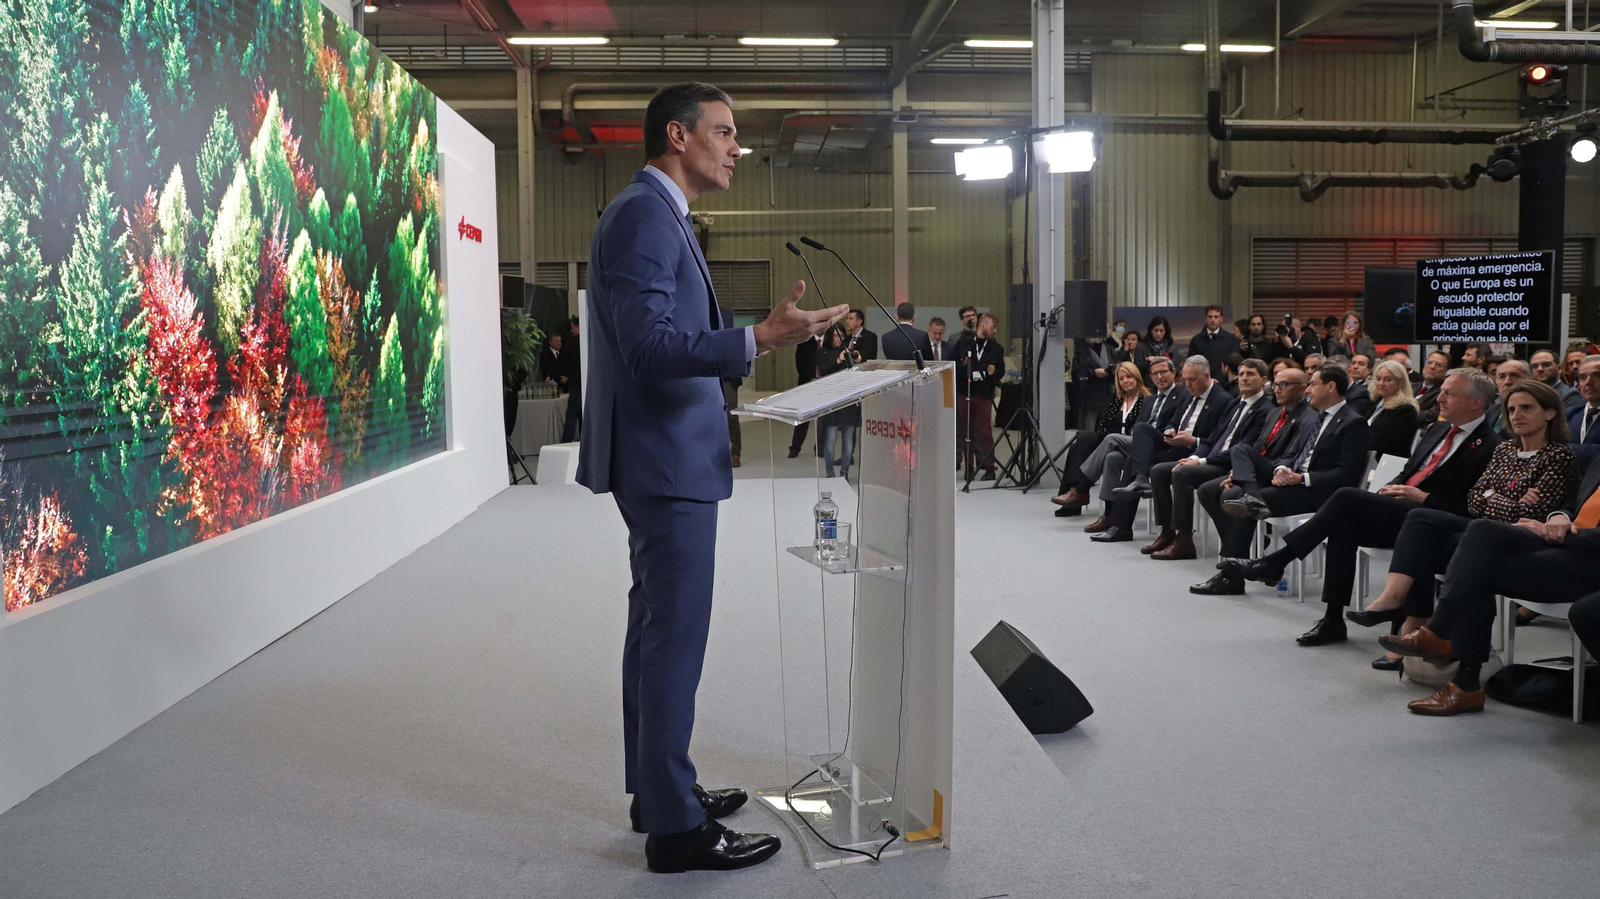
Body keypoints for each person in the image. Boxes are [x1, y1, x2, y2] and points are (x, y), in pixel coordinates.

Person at [577, 82, 849, 874]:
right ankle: (674, 825)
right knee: (674, 637)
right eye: (724, 133)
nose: (737, 148)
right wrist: (758, 338)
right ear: (676, 134)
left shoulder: (659, 215)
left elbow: (666, 335)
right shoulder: (641, 218)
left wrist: (751, 336)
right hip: (666, 460)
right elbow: (650, 349)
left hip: (669, 455)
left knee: (655, 628)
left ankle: (658, 789)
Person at [1223, 368, 1500, 650]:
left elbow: (1474, 508)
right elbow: (1407, 473)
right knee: (1345, 523)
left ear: (1475, 402)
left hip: (1437, 521)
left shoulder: (1492, 446)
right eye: (1441, 391)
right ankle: (1332, 619)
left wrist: (1423, 498)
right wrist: (1388, 489)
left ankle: (1276, 562)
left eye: (1448, 393)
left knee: (1346, 497)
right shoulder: (1439, 429)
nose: (1438, 398)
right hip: (1400, 511)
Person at [1371, 383, 1585, 715]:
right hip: (1490, 532)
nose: (1517, 416)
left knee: (1477, 535)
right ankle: (1404, 609)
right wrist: (1500, 500)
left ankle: (1438, 631)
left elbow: (1529, 515)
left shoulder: (1559, 455)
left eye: (1527, 408)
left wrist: (1492, 499)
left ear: (1550, 412)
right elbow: (1474, 498)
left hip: (1531, 538)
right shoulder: (1503, 450)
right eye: (1512, 409)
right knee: (1422, 518)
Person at [1188, 369, 1313, 593]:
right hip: (1260, 471)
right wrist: (1240, 475)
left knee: (1232, 493)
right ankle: (1242, 545)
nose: (1277, 389)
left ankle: (1232, 574)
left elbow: (1292, 455)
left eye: (1285, 385)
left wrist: (1246, 476)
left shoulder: (1308, 415)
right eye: (1276, 384)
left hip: (1282, 473)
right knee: (1208, 490)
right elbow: (1257, 450)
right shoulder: (1275, 413)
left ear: (1303, 388)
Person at [1092, 355, 1238, 544]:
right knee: (1140, 429)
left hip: (1195, 450)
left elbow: (1219, 439)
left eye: (1192, 380)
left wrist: (1194, 441)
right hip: (1174, 444)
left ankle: (1155, 527)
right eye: (1185, 380)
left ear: (1206, 375)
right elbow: (1175, 420)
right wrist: (1171, 430)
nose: (1188, 384)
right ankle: (1124, 520)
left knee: (1137, 462)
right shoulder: (1189, 395)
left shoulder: (1222, 400)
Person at [1139, 358, 1273, 559]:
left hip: (1230, 465)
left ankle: (1185, 540)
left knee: (1183, 474)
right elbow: (1213, 439)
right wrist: (1195, 456)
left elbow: (1244, 449)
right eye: (1242, 374)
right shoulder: (1236, 404)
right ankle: (1168, 532)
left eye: (1250, 374)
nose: (1244, 378)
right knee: (1159, 471)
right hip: (1211, 457)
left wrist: (1202, 461)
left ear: (1263, 380)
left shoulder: (1265, 410)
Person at [1219, 364, 1372, 521]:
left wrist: (1301, 478)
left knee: (1240, 500)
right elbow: (1291, 453)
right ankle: (1253, 495)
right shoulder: (1312, 417)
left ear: (1330, 387)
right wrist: (1282, 469)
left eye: (1312, 384)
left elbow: (1346, 473)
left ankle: (1252, 500)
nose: (1307, 390)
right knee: (1240, 449)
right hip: (1290, 479)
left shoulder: (1353, 423)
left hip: (1314, 490)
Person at [1078, 357, 1187, 532]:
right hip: (1139, 444)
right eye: (1155, 373)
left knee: (1114, 438)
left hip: (1164, 443)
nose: (1159, 377)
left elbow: (1176, 422)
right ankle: (1110, 515)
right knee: (1112, 457)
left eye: (1163, 372)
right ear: (1150, 376)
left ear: (1173, 373)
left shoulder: (1181, 395)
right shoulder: (1150, 401)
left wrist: (1164, 430)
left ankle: (1082, 488)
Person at [1052, 360, 1147, 513]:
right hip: (1110, 441)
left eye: (1128, 377)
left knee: (1107, 444)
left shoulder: (1146, 400)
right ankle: (1073, 497)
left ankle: (1079, 492)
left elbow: (1143, 428)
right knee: (1081, 441)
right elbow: (1102, 426)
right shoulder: (1117, 400)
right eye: (1121, 379)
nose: (1125, 381)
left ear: (1137, 377)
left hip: (1130, 444)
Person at [955, 312, 1005, 479]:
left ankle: (989, 466)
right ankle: (969, 467)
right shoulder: (964, 344)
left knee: (985, 431)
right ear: (983, 326)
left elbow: (1001, 370)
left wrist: (994, 371)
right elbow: (953, 364)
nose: (995, 331)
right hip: (965, 391)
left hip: (984, 393)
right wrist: (963, 365)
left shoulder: (996, 348)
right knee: (966, 430)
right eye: (993, 327)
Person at [816, 324, 859, 478]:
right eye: (835, 335)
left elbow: (855, 373)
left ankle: (844, 472)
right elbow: (825, 371)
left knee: (848, 438)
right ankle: (829, 472)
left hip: (848, 398)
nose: (839, 339)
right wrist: (838, 361)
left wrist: (856, 359)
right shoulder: (822, 351)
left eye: (841, 335)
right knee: (831, 437)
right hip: (832, 399)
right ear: (829, 336)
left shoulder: (847, 351)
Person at [1365, 358, 1420, 458]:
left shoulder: (1406, 411)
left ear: (1401, 383)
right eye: (1378, 378)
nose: (1381, 383)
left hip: (1385, 463)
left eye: (1388, 380)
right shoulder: (1375, 402)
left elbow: (1383, 442)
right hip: (1366, 457)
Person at [787, 329, 824, 458]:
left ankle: (820, 446)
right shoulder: (805, 341)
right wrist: (810, 377)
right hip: (807, 383)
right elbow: (799, 362)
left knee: (823, 418)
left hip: (826, 385)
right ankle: (795, 447)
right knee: (803, 416)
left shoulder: (830, 341)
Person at [1074, 330, 1119, 430]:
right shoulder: (1082, 351)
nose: (1099, 336)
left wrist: (1113, 371)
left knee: (1108, 430)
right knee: (1089, 432)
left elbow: (1117, 368)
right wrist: (1094, 373)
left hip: (1108, 396)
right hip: (1090, 399)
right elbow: (1076, 375)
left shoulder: (1109, 350)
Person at [1187, 305, 1239, 379]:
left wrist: (1220, 379)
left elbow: (1234, 363)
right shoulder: (1196, 340)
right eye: (1210, 317)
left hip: (1225, 383)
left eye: (1216, 317)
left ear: (1221, 319)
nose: (1213, 320)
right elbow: (1191, 364)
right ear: (1206, 318)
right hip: (1202, 382)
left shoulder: (1231, 339)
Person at [1484, 357, 1530, 437]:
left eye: (1514, 375)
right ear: (1497, 382)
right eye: (1502, 377)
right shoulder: (1491, 411)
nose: (1507, 381)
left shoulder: (1534, 411)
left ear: (1530, 380)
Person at [1531, 347, 1584, 416]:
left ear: (1559, 369)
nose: (1540, 369)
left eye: (1546, 365)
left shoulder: (1571, 395)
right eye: (1535, 366)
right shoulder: (1529, 394)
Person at [1572, 354, 1600, 466]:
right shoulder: (1569, 415)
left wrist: (1566, 450)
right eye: (1582, 377)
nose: (1588, 382)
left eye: (1597, 375)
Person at [560, 317, 584, 443]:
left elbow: (566, 360)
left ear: (577, 327)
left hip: (575, 383)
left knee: (571, 416)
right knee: (583, 415)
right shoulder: (589, 341)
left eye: (572, 327)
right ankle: (583, 439)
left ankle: (566, 441)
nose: (571, 330)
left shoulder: (572, 343)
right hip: (586, 383)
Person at [1134, 316, 1175, 385]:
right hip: (1147, 386)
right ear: (1151, 331)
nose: (1158, 334)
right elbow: (1137, 369)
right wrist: (1147, 361)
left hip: (1166, 385)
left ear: (1166, 331)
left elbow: (1176, 368)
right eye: (1156, 330)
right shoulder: (1142, 346)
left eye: (1161, 331)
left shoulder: (1171, 347)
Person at [1415, 350, 1451, 429]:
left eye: (1438, 365)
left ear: (1446, 371)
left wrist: (1402, 413)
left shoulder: (1445, 393)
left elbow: (1430, 416)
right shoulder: (1411, 386)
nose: (1432, 367)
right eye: (1429, 363)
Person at [1343, 352, 1375, 416]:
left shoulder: (1374, 386)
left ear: (1369, 370)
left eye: (1361, 364)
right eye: (1353, 363)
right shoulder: (1343, 384)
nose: (1355, 367)